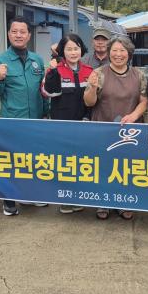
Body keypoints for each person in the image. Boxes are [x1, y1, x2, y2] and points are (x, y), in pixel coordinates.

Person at [0, 16, 49, 216]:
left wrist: (46, 113)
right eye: (14, 31)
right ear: (8, 34)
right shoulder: (0, 60)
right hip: (12, 121)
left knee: (34, 159)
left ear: (29, 35)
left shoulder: (37, 60)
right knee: (12, 161)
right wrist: (0, 77)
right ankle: (9, 201)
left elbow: (43, 91)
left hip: (36, 121)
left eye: (22, 32)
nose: (18, 35)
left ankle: (32, 195)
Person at [84, 36, 148, 220]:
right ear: (109, 52)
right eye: (114, 50)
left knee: (126, 167)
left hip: (130, 130)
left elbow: (144, 101)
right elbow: (89, 102)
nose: (118, 54)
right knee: (104, 166)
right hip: (103, 127)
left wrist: (133, 116)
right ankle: (103, 201)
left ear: (129, 53)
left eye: (122, 51)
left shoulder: (138, 75)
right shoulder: (99, 73)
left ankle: (124, 201)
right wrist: (92, 88)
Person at [41, 33, 93, 214]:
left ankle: (80, 196)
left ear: (81, 50)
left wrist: (87, 118)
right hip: (61, 127)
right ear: (62, 51)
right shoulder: (54, 69)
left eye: (76, 48)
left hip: (84, 125)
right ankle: (66, 199)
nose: (73, 52)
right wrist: (54, 71)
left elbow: (93, 100)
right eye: (68, 49)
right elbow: (48, 93)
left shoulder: (89, 71)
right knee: (65, 162)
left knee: (82, 162)